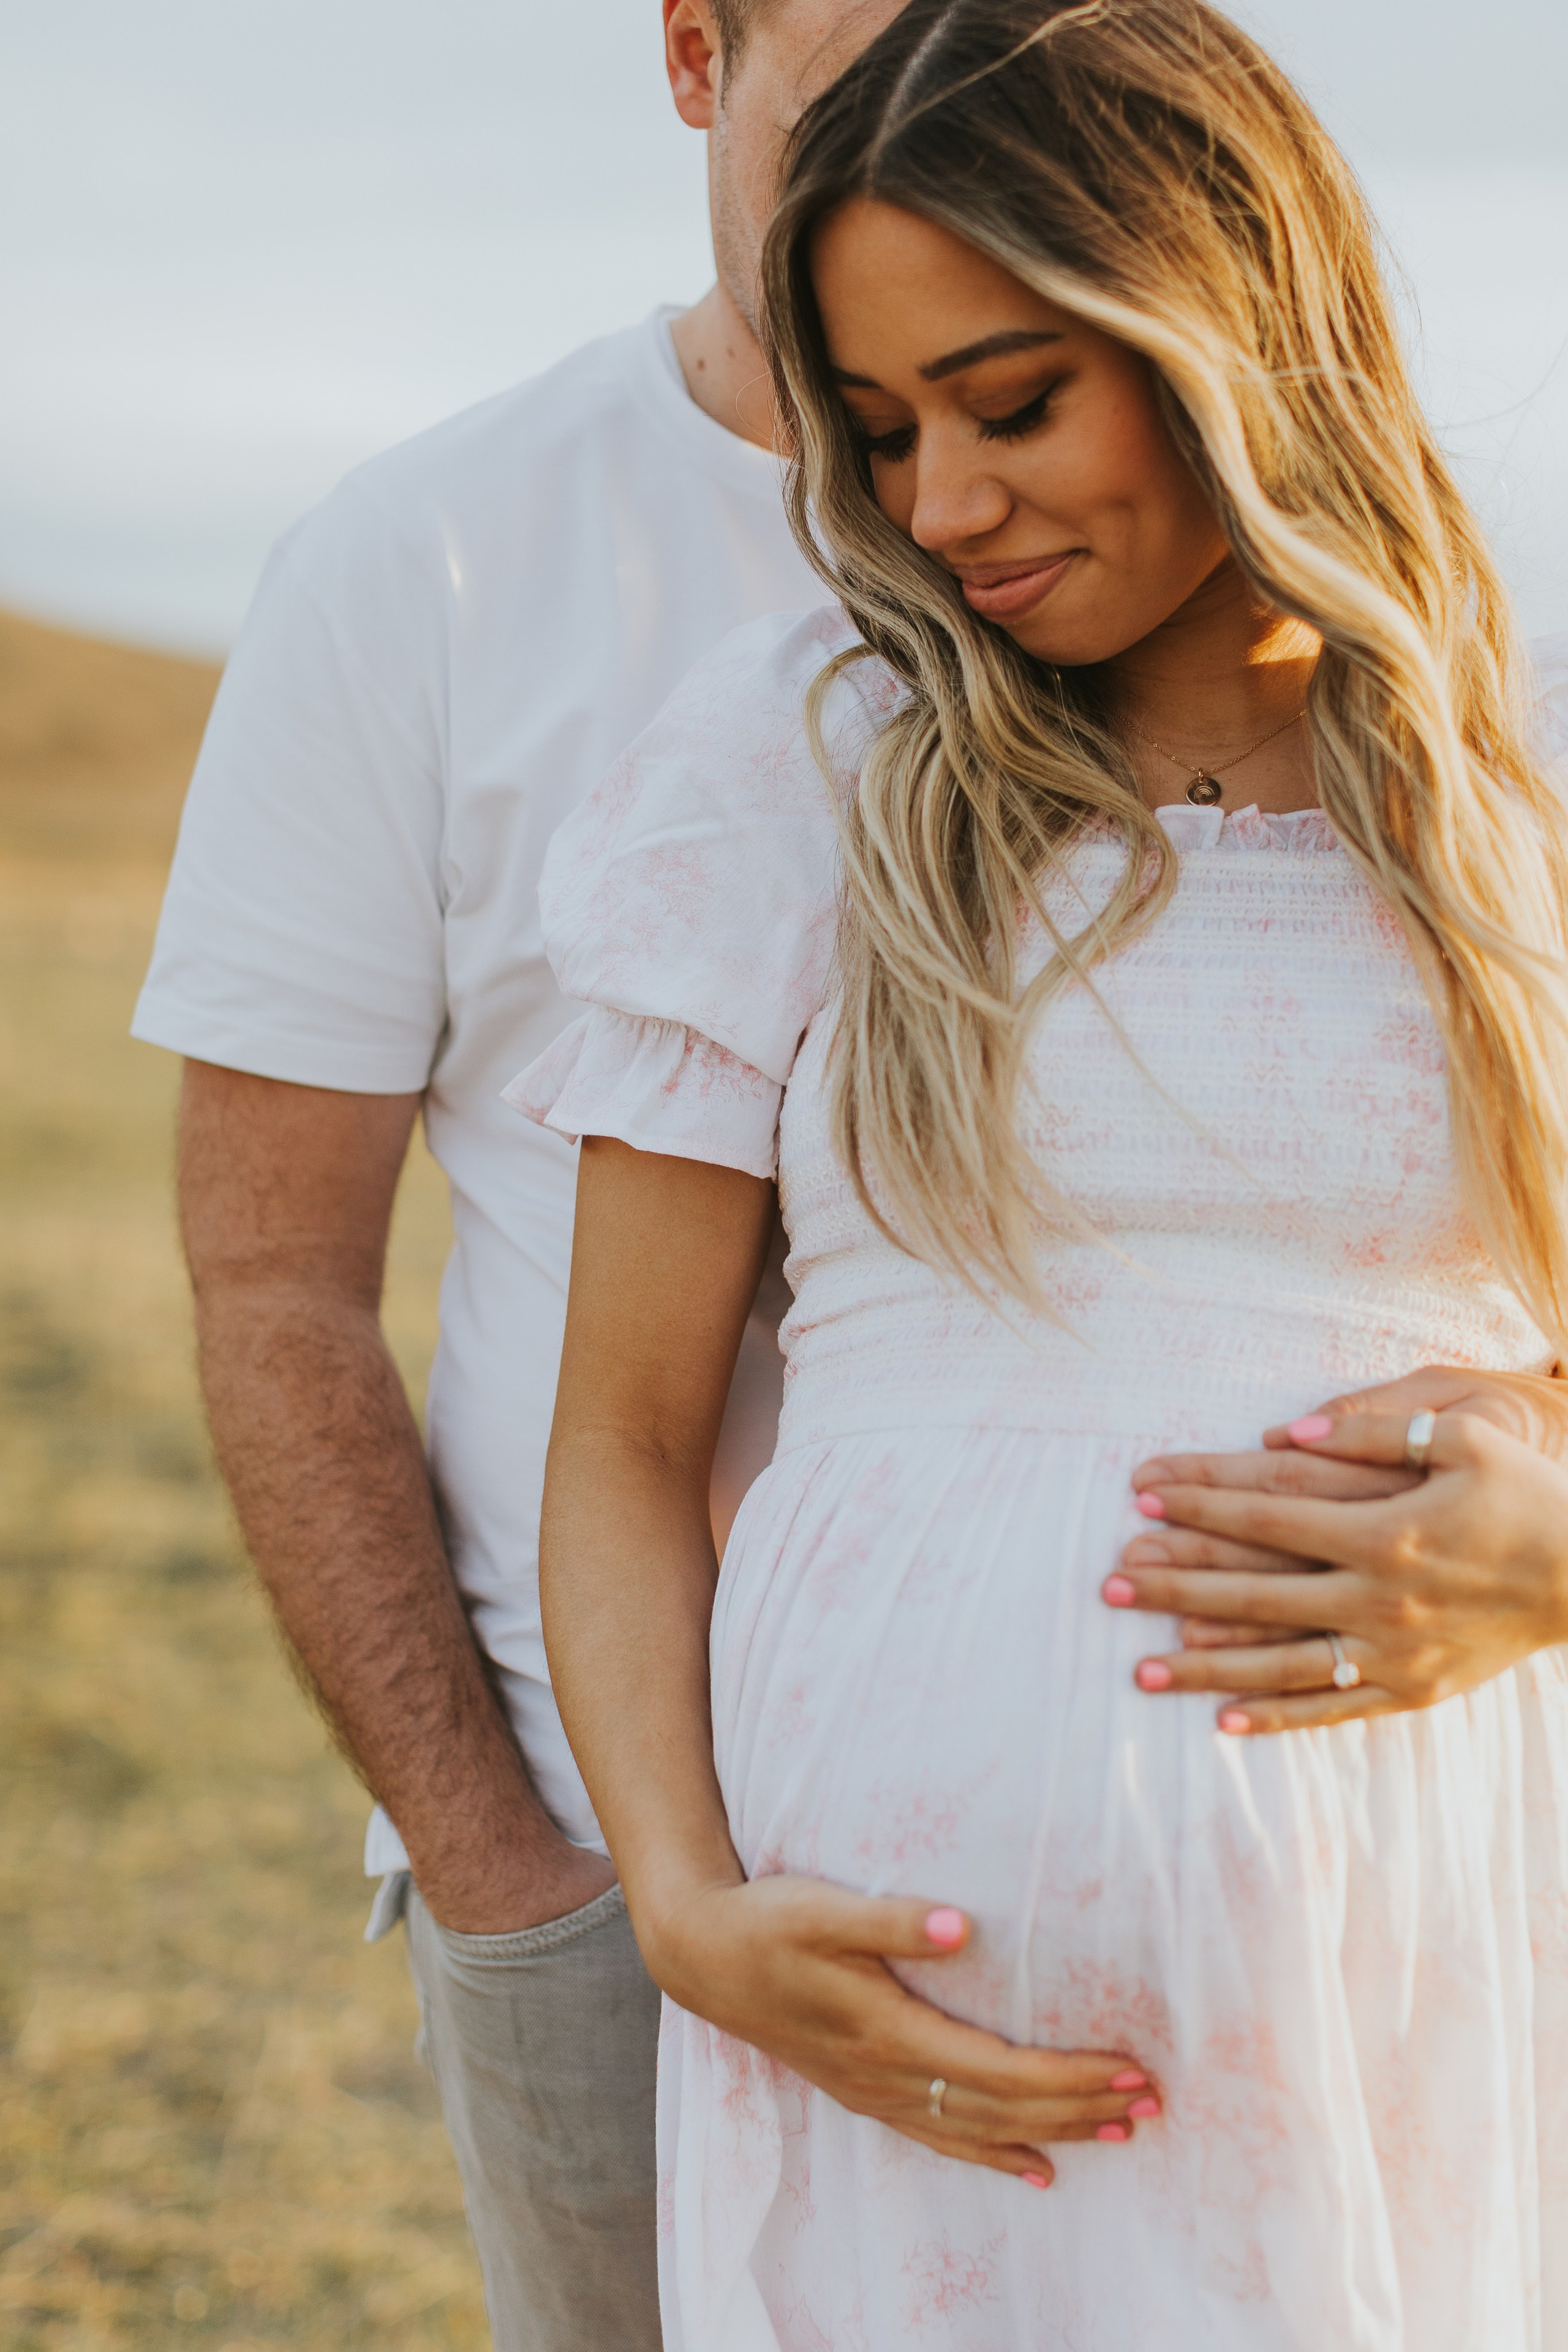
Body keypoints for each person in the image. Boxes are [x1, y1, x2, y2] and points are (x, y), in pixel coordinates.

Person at [520, 2, 1568, 2343]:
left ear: (1231, 327)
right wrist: (682, 1907)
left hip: (1409, 1955)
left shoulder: (1520, 810)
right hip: (899, 2038)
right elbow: (617, 1438)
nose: (942, 509)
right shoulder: (799, 767)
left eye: (1014, 405)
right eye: (879, 431)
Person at [130, 6, 912, 2345]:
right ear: (694, 56)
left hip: (1143, 1843)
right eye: (851, 104)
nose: (930, 172)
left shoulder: (1214, 561)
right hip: (600, 1861)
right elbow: (274, 1274)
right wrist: (506, 1875)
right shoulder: (428, 562)